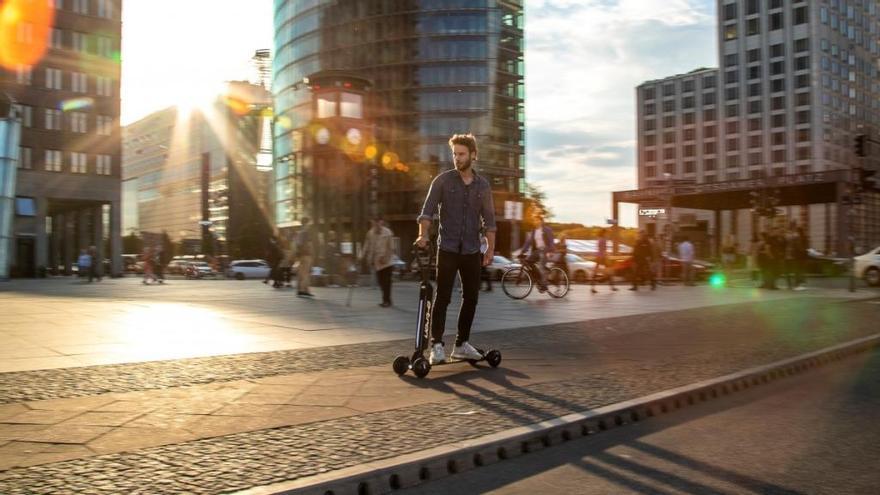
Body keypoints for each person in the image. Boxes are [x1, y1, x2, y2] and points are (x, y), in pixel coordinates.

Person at [417, 133, 496, 365]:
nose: (457, 158)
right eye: (454, 154)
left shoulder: (483, 185)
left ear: (473, 155)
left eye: (461, 154)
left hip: (472, 250)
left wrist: (490, 249)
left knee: (471, 297)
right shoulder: (442, 181)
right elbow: (427, 211)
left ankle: (462, 344)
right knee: (442, 297)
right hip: (448, 249)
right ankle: (437, 346)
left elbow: (490, 221)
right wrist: (422, 235)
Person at [363, 218, 395, 307]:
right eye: (374, 224)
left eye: (378, 223)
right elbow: (367, 246)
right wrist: (362, 256)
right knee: (381, 282)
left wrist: (386, 258)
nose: (376, 225)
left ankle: (387, 301)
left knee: (387, 282)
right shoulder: (370, 233)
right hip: (377, 262)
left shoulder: (388, 232)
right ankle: (386, 300)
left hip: (387, 262)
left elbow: (391, 247)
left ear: (381, 223)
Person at [520, 212, 556, 291]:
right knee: (528, 261)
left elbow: (551, 241)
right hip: (538, 251)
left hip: (546, 250)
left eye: (537, 220)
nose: (535, 222)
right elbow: (528, 242)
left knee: (541, 266)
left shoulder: (547, 229)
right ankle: (538, 278)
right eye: (534, 220)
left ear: (541, 221)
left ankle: (544, 285)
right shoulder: (534, 231)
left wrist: (551, 251)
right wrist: (522, 252)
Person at [591, 228, 617, 293]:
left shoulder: (599, 239)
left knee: (596, 272)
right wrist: (607, 257)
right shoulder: (604, 239)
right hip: (603, 257)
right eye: (606, 233)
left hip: (598, 256)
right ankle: (612, 287)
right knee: (609, 271)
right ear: (604, 233)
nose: (607, 234)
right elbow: (604, 249)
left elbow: (599, 248)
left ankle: (593, 288)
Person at [295, 218, 315, 297]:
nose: (309, 225)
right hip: (306, 255)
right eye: (308, 223)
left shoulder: (299, 233)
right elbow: (309, 245)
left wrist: (298, 255)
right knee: (306, 273)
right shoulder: (306, 233)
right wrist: (312, 253)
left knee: (302, 273)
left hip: (301, 255)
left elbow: (297, 245)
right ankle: (303, 290)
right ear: (306, 224)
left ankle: (304, 290)